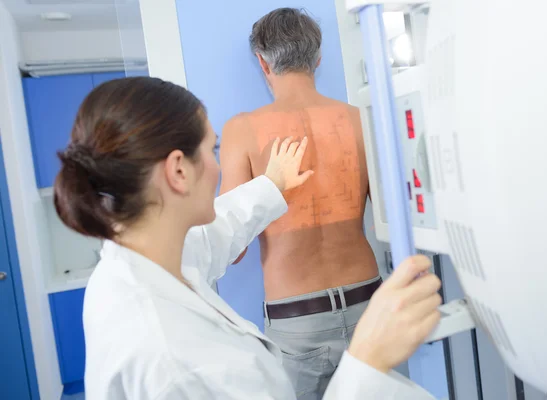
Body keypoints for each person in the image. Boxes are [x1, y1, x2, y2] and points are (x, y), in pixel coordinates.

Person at [54, 76, 441, 399]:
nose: (218, 163)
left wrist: (271, 185)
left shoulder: (139, 263)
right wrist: (366, 360)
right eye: (212, 149)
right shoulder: (176, 363)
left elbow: (218, 233)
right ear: (178, 171)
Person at [219, 8, 382, 398]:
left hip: (297, 321)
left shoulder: (241, 130)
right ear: (318, 58)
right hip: (370, 304)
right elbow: (393, 214)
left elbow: (233, 247)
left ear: (262, 62)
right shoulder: (360, 120)